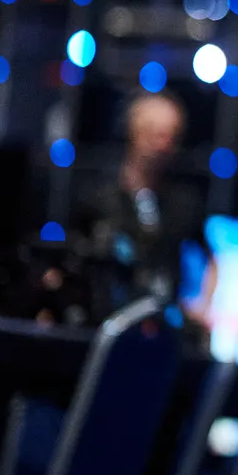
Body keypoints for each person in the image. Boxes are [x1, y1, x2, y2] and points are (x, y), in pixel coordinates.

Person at [72, 90, 207, 323]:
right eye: (155, 135)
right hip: (103, 319)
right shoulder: (99, 196)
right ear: (134, 133)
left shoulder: (184, 202)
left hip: (163, 322)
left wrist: (200, 306)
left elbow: (211, 258)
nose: (163, 146)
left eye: (172, 137)